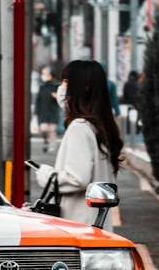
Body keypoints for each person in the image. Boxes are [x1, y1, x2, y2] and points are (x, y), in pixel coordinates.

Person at [35, 59, 123, 224]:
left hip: (77, 224)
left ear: (84, 87)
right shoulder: (101, 126)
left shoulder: (80, 127)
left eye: (67, 82)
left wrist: (45, 174)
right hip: (98, 223)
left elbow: (77, 179)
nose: (61, 87)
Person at [34, 65, 59, 151]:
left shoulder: (56, 85)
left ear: (50, 74)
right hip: (43, 112)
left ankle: (53, 145)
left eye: (45, 73)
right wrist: (36, 111)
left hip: (53, 111)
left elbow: (62, 98)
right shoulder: (42, 86)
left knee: (52, 129)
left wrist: (56, 96)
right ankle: (46, 140)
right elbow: (38, 99)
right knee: (43, 129)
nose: (43, 75)